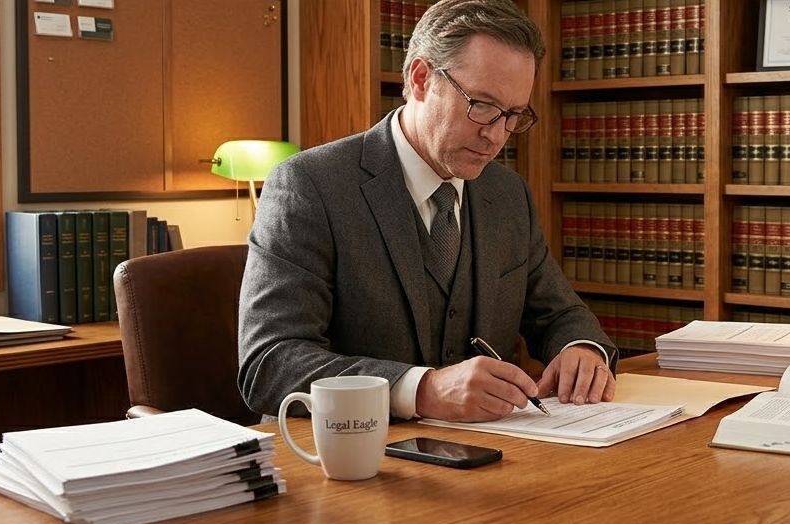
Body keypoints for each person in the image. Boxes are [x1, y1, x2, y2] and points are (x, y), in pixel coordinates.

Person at [238, 0, 617, 422]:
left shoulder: (508, 194)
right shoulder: (310, 186)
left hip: (491, 457)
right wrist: (422, 390)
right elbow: (269, 363)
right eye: (482, 105)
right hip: (349, 462)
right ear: (421, 79)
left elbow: (560, 312)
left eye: (513, 115)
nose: (496, 135)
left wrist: (580, 349)